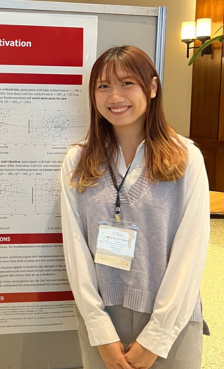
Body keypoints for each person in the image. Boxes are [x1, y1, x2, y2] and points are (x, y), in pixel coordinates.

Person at [60, 45, 210, 369]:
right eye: (103, 86)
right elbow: (75, 250)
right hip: (102, 322)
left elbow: (191, 252)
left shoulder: (186, 158)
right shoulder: (78, 160)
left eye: (127, 83)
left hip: (171, 321)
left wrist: (156, 338)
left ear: (152, 88)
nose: (115, 96)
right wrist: (99, 330)